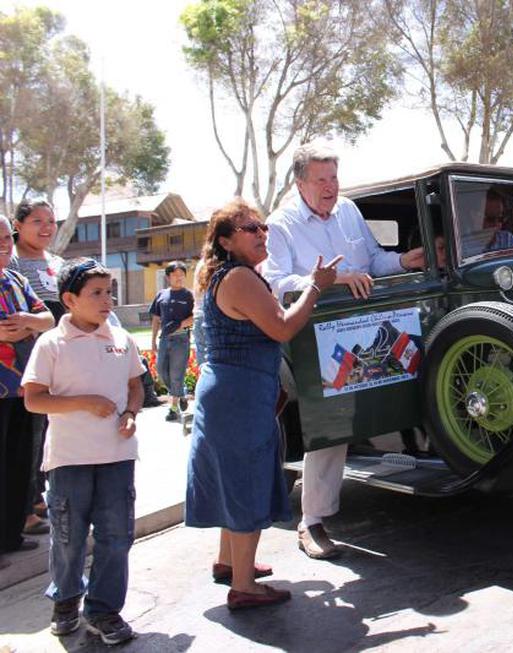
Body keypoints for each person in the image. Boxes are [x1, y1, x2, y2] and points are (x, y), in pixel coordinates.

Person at [263, 139, 426, 560]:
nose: (331, 187)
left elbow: (372, 262)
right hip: (317, 337)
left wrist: (403, 261)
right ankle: (312, 521)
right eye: (321, 179)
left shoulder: (349, 210)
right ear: (300, 183)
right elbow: (277, 284)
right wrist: (330, 280)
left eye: (334, 177)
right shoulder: (280, 224)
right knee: (332, 423)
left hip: (367, 329)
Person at [185, 199, 339, 609]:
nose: (261, 234)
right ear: (225, 241)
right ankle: (244, 586)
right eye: (250, 228)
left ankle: (228, 563)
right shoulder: (239, 277)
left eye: (262, 227)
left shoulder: (227, 275)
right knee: (246, 483)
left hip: (232, 392)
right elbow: (283, 327)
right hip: (240, 395)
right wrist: (316, 286)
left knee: (232, 479)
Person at [21, 258, 144, 645]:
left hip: (117, 457)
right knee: (69, 536)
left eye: (110, 292)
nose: (107, 300)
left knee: (116, 536)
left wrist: (130, 414)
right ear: (70, 300)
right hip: (69, 459)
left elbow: (136, 386)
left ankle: (104, 610)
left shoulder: (121, 339)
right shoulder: (51, 344)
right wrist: (84, 402)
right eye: (97, 293)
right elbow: (34, 399)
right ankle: (66, 599)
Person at [0, 214, 55, 560]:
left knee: (20, 463)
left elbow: (48, 317)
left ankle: (10, 535)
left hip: (21, 388)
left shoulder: (16, 279)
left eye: (7, 238)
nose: (4, 245)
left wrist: (27, 322)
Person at [10, 199, 63, 538]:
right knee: (26, 432)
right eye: (37, 221)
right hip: (23, 357)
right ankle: (25, 501)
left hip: (59, 354)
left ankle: (39, 493)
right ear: (18, 225)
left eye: (51, 221)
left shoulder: (57, 262)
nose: (46, 228)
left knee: (46, 429)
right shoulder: (11, 262)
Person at [149, 261, 194, 422]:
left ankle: (174, 409)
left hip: (181, 339)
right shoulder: (161, 295)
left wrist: (179, 325)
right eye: (175, 274)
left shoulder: (188, 295)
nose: (179, 277)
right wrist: (153, 340)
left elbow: (194, 316)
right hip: (164, 339)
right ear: (168, 277)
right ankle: (181, 393)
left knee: (176, 373)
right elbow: (156, 319)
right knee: (161, 371)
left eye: (181, 274)